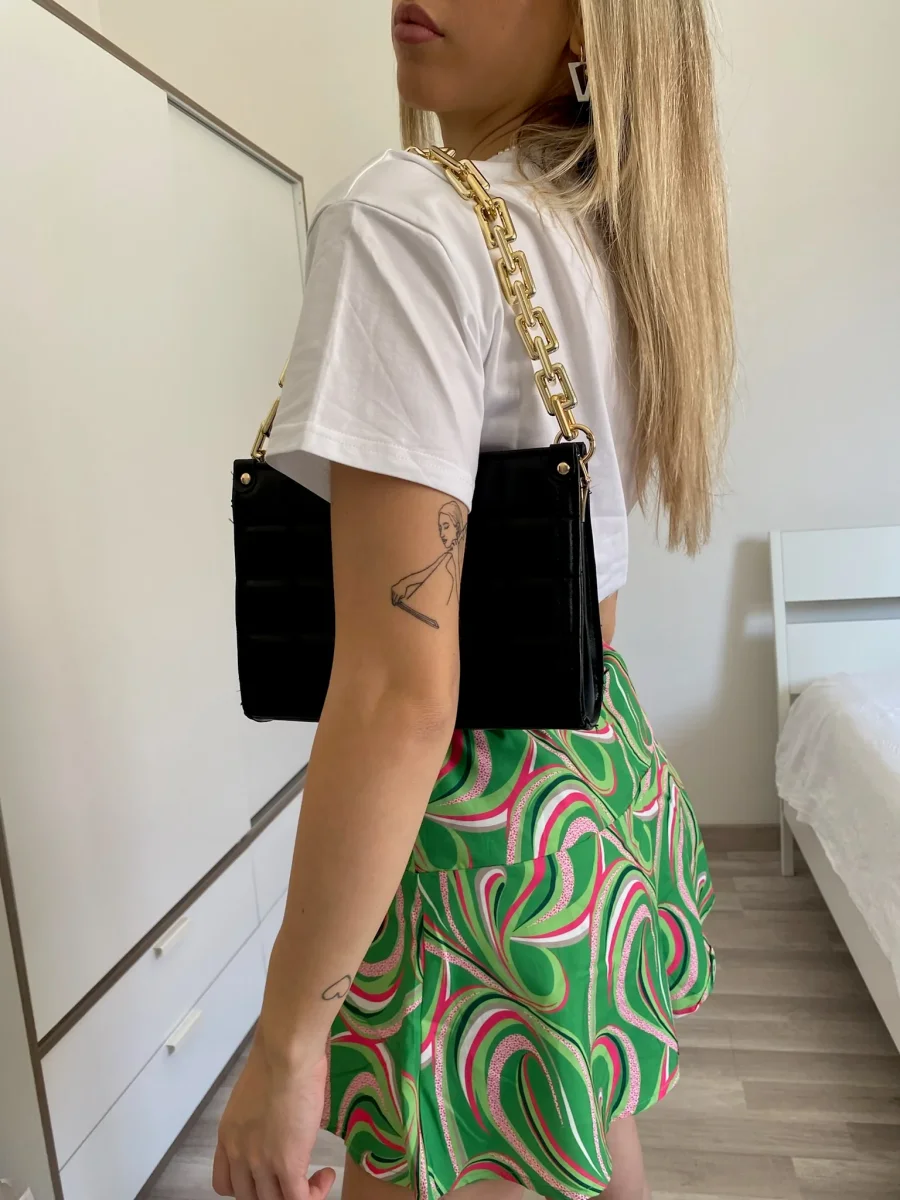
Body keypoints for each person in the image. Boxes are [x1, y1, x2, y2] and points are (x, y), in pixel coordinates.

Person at [214, 1, 734, 1199]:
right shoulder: (603, 235)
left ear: (589, 28)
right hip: (590, 779)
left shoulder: (407, 216)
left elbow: (401, 692)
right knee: (586, 1140)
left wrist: (287, 1048)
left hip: (466, 841)